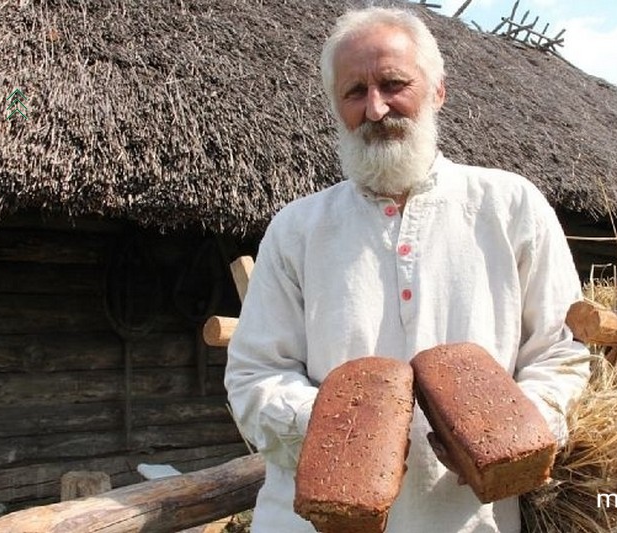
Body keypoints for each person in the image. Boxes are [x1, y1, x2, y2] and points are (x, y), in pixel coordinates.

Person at [225, 6, 590, 532]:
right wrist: (346, 431)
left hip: (467, 521)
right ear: (335, 107)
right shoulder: (297, 229)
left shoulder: (510, 207)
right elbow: (254, 375)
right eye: (354, 92)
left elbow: (560, 352)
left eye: (393, 84)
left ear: (438, 90)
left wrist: (506, 428)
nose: (375, 108)